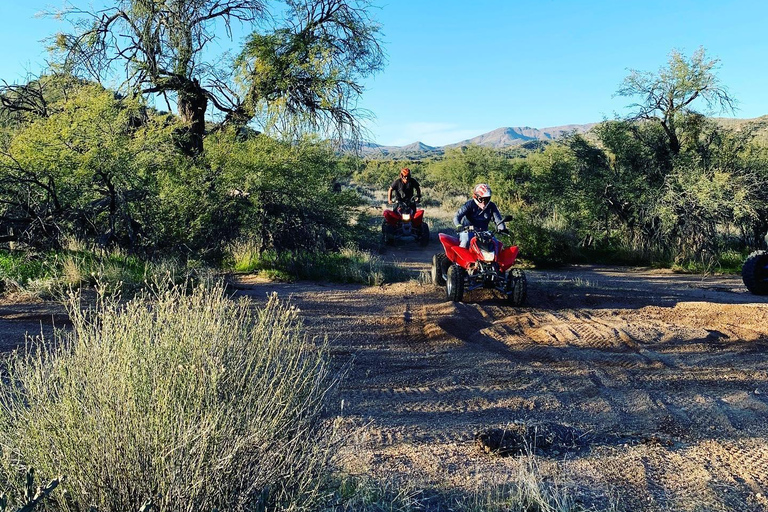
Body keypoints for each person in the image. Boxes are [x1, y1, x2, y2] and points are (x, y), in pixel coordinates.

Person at [453, 183, 508, 248]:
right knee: (466, 241)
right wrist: (459, 226)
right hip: (467, 231)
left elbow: (498, 219)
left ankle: (496, 258)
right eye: (481, 199)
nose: (484, 202)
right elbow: (457, 217)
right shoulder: (469, 204)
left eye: (486, 199)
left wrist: (502, 228)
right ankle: (460, 258)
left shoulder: (492, 206)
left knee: (496, 245)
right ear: (475, 197)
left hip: (484, 233)